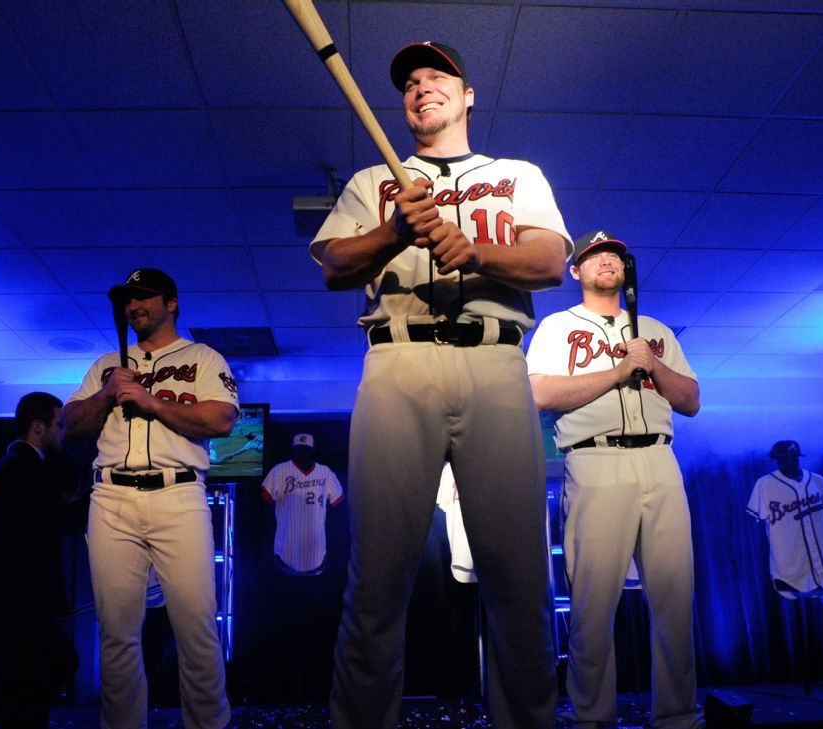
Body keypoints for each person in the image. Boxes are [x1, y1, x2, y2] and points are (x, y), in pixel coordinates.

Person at [311, 41, 571, 729]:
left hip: (495, 360)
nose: (422, 87)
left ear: (468, 95)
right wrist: (397, 230)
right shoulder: (375, 180)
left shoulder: (516, 174)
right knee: (377, 578)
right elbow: (334, 264)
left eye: (437, 77)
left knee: (517, 576)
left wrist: (476, 249)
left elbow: (549, 259)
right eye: (411, 82)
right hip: (398, 360)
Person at [526, 231, 703, 729]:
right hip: (595, 461)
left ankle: (677, 717)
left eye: (615, 256)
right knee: (591, 607)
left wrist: (651, 365)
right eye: (593, 257)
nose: (607, 260)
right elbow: (539, 393)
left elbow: (690, 400)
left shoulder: (654, 327)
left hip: (662, 462)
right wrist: (621, 370)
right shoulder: (559, 327)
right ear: (575, 272)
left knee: (674, 600)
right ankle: (592, 719)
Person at [63, 268, 239, 729]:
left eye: (144, 297)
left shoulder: (202, 356)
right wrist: (108, 392)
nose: (134, 306)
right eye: (128, 299)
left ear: (172, 303)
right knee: (117, 633)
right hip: (111, 498)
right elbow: (69, 427)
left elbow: (221, 421)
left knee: (197, 626)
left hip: (178, 494)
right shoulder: (106, 363)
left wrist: (150, 401)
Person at [0, 393, 78, 729]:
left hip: (7, 597)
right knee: (29, 688)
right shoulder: (25, 469)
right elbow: (49, 521)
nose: (63, 433)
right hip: (21, 599)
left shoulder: (8, 467)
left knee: (23, 684)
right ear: (38, 427)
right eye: (59, 425)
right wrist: (99, 500)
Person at [747, 440, 823, 599]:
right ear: (778, 461)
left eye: (793, 457)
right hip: (789, 563)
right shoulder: (765, 485)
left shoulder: (818, 481)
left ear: (798, 458)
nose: (790, 461)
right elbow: (759, 517)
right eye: (785, 458)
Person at [261, 433, 344, 577]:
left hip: (317, 557)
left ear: (313, 451)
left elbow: (339, 500)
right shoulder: (279, 471)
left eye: (306, 449)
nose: (303, 453)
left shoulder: (325, 472)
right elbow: (265, 497)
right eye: (299, 449)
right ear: (293, 449)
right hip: (286, 555)